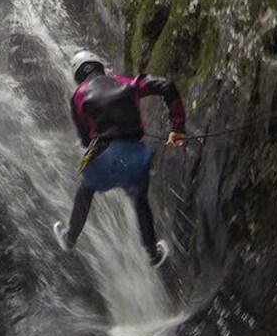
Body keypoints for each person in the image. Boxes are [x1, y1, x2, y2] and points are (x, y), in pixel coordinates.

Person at [54, 50, 186, 267]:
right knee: (139, 199)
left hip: (104, 156)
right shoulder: (128, 83)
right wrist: (177, 128)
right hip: (135, 158)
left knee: (85, 190)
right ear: (100, 66)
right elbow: (166, 85)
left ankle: (70, 238)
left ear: (78, 75)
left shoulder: (78, 96)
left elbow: (85, 139)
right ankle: (152, 253)